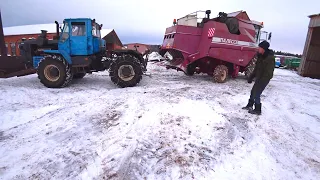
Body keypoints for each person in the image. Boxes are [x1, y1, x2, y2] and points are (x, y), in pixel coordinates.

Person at [242, 40, 275, 115]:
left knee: (257, 94)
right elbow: (256, 68)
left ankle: (257, 110)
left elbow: (269, 73)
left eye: (260, 48)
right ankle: (250, 105)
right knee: (253, 91)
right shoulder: (260, 56)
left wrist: (261, 80)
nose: (258, 49)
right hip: (259, 78)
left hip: (264, 79)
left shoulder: (270, 58)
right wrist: (251, 76)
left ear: (264, 49)